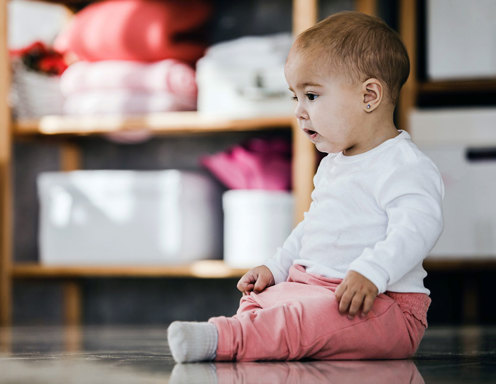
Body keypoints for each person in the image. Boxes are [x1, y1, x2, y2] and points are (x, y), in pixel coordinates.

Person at [167, 11, 444, 363]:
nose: (299, 111)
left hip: (381, 304)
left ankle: (224, 339)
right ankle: (247, 330)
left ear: (369, 95)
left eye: (311, 96)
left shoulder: (405, 165)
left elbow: (418, 228)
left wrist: (372, 272)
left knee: (305, 320)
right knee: (264, 299)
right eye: (294, 97)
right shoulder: (333, 165)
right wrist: (276, 268)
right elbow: (311, 229)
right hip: (314, 288)